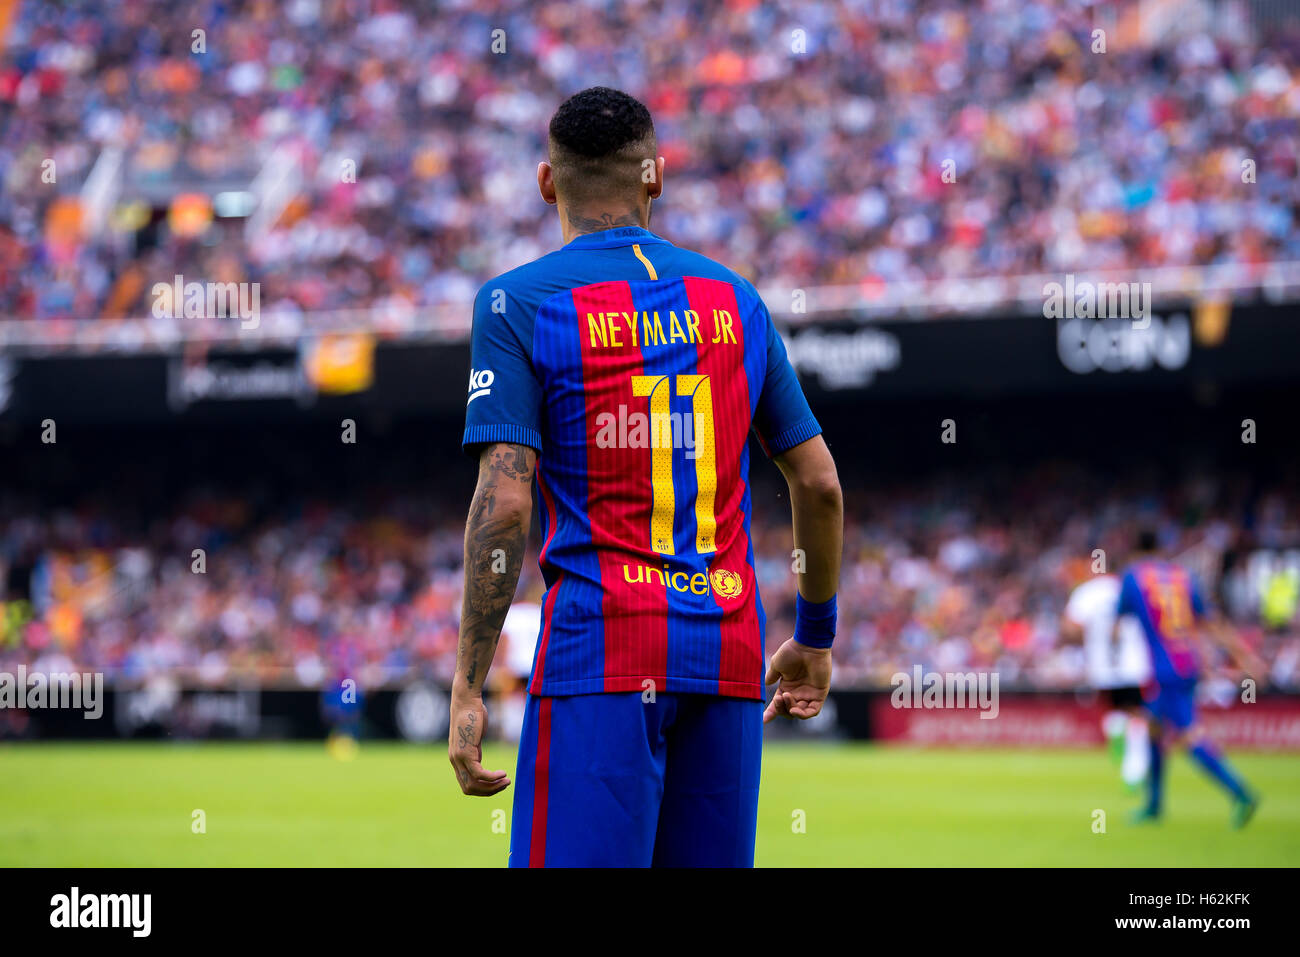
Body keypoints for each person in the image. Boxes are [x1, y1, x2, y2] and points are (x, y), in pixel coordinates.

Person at [447, 87, 843, 867]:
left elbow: (505, 501)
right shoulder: (736, 298)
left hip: (603, 648)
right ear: (655, 176)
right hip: (727, 652)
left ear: (547, 181)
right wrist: (816, 636)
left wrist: (469, 681)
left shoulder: (517, 303)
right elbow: (820, 482)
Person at [1117, 531, 1261, 827]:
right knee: (1154, 730)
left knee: (1189, 736)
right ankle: (1154, 806)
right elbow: (1210, 621)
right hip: (1187, 662)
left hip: (1163, 669)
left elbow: (1119, 624)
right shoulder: (1183, 576)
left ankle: (1241, 793)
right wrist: (1245, 657)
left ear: (1137, 552)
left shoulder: (1133, 577)